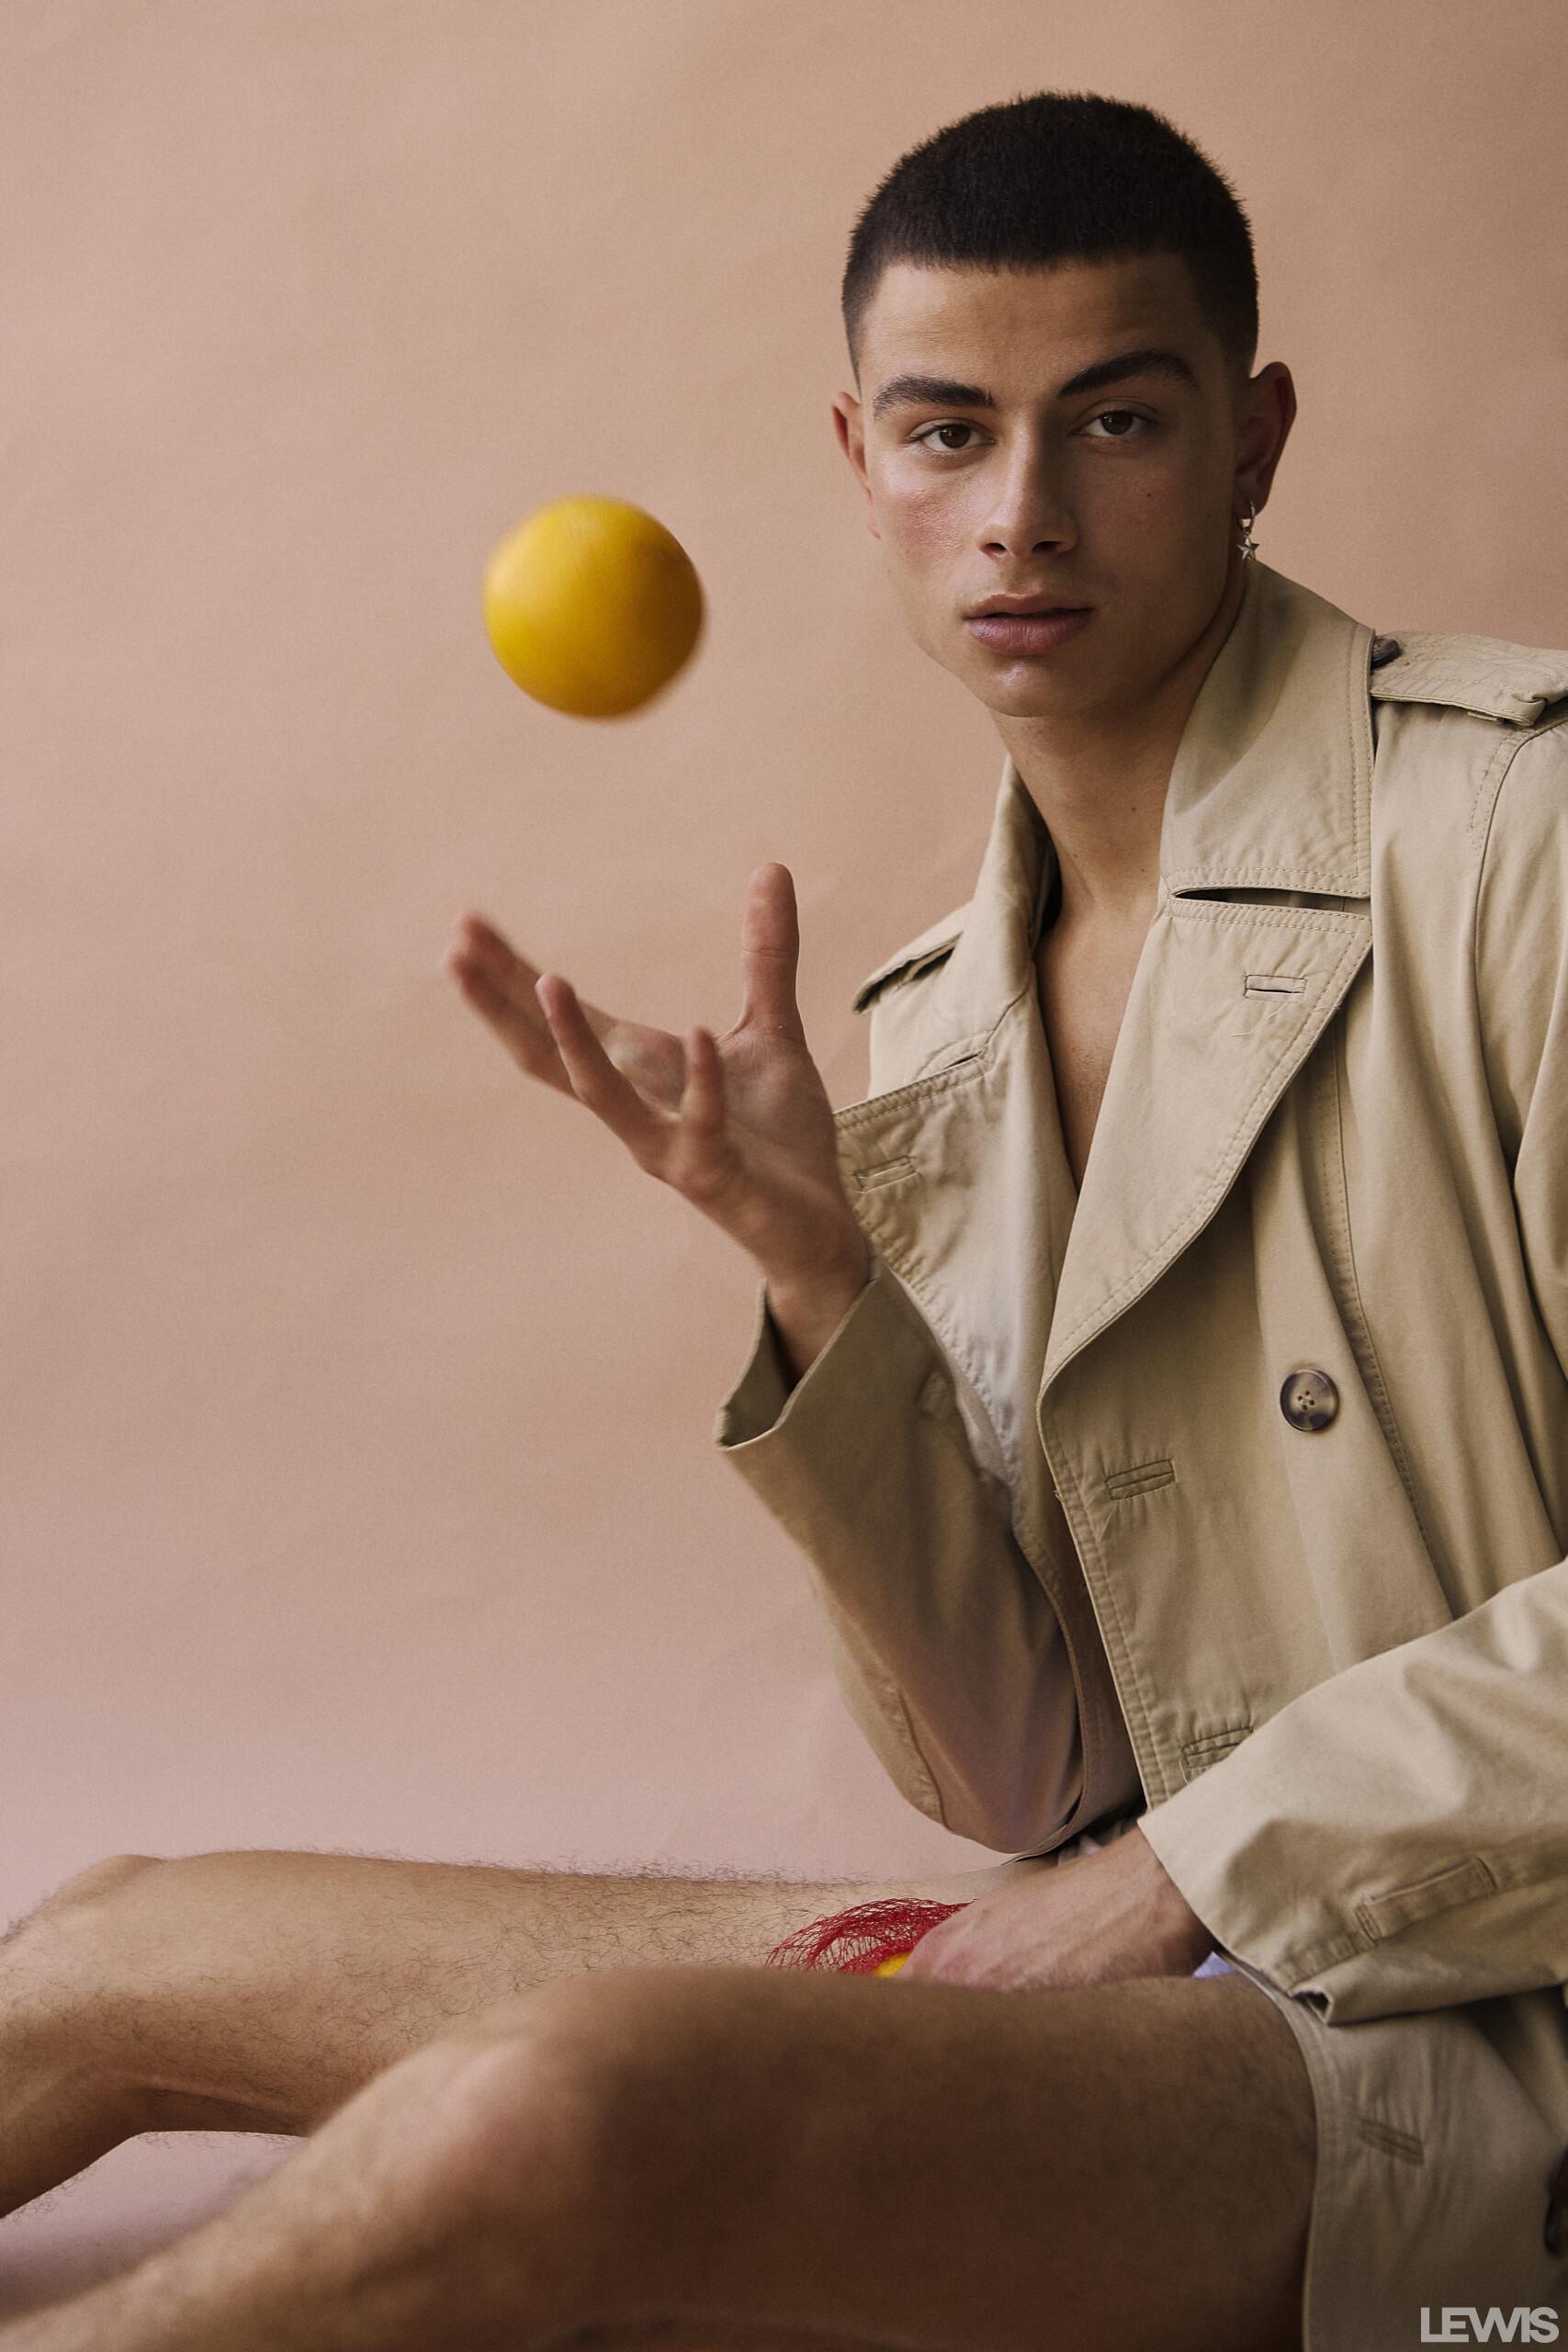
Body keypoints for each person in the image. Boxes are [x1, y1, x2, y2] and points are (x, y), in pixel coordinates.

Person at [3, 86, 1566, 2352]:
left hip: (1485, 2042)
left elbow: (1121, 1843)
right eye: (946, 433)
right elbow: (1022, 1771)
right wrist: (823, 1277)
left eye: (1114, 420)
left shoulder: (1520, 840)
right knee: (117, 1943)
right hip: (1161, 1963)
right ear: (858, 460)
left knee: (554, 2123)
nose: (1018, 514)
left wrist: (1178, 1870)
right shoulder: (937, 1016)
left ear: (1251, 435)